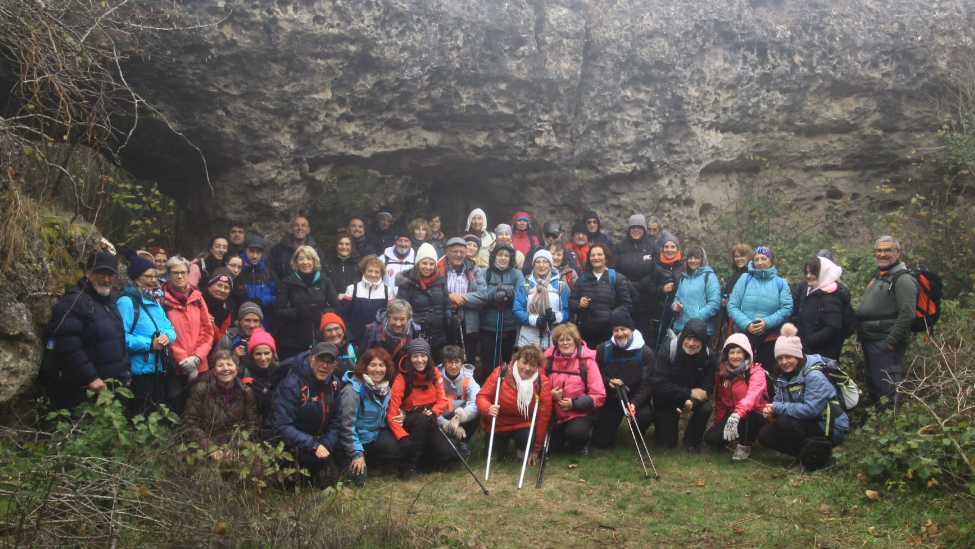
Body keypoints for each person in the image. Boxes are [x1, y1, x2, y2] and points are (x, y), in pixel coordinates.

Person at [41, 252, 130, 411]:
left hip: (111, 387)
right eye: (101, 273)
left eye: (110, 275)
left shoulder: (110, 303)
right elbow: (68, 345)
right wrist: (91, 378)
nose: (106, 279)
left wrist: (125, 372)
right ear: (88, 272)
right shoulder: (73, 302)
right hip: (84, 389)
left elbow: (119, 339)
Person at [758, 323, 850, 471]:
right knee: (765, 435)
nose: (784, 362)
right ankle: (809, 454)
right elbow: (781, 400)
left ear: (798, 356)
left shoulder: (814, 376)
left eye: (788, 357)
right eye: (780, 358)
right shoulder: (784, 375)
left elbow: (811, 410)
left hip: (829, 425)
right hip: (807, 422)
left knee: (784, 422)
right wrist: (772, 409)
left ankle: (813, 460)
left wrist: (778, 408)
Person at [266, 342, 343, 486]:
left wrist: (326, 445)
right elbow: (282, 425)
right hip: (289, 443)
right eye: (321, 360)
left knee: (331, 478)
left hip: (318, 442)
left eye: (329, 362)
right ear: (311, 360)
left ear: (335, 366)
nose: (324, 366)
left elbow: (336, 419)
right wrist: (314, 446)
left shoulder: (334, 385)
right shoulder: (291, 384)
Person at [856, 236, 918, 410]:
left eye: (887, 250)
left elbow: (907, 314)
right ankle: (878, 426)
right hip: (872, 340)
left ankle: (889, 425)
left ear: (897, 252)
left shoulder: (903, 279)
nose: (882, 254)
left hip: (885, 342)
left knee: (887, 388)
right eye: (879, 250)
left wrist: (890, 342)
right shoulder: (880, 275)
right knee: (875, 385)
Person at [117, 253, 178, 417]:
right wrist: (149, 344)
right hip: (139, 373)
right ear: (136, 279)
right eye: (148, 276)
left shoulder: (156, 300)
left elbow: (169, 328)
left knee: (159, 414)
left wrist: (167, 337)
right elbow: (119, 338)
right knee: (141, 415)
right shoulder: (127, 302)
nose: (153, 280)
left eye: (155, 276)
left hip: (159, 368)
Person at [387, 339, 457, 479]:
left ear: (428, 357)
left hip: (429, 420)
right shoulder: (402, 379)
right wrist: (402, 436)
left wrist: (434, 411)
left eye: (423, 355)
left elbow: (442, 399)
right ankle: (408, 467)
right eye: (415, 356)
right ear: (409, 358)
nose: (420, 360)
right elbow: (392, 411)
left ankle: (421, 459)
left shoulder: (435, 373)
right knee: (420, 419)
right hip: (408, 422)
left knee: (450, 456)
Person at [644, 318, 715, 452]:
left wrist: (692, 401)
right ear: (682, 337)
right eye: (688, 338)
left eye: (696, 340)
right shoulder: (668, 349)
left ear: (703, 342)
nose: (691, 344)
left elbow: (708, 386)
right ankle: (660, 425)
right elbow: (658, 382)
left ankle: (692, 441)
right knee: (667, 444)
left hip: (691, 398)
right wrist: (688, 392)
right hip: (667, 398)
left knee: (706, 408)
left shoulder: (709, 356)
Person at [180, 350, 260, 462]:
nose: (225, 369)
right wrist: (211, 448)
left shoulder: (246, 392)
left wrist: (235, 447)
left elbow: (252, 425)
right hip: (205, 445)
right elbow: (189, 423)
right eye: (220, 365)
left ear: (237, 370)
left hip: (235, 446)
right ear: (214, 371)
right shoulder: (201, 389)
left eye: (229, 364)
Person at [477, 344, 552, 464]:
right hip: (498, 424)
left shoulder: (542, 383)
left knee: (525, 446)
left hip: (523, 424)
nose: (527, 368)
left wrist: (536, 448)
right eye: (524, 362)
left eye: (532, 365)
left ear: (537, 367)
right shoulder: (500, 373)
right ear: (517, 360)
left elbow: (543, 417)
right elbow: (482, 396)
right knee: (492, 460)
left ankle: (522, 448)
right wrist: (487, 408)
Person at [592, 311, 655, 450]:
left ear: (631, 329)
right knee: (601, 443)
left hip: (635, 399)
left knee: (645, 415)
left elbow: (648, 384)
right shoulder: (603, 349)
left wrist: (635, 403)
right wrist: (608, 381)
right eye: (616, 330)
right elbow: (594, 375)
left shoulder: (645, 352)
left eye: (623, 329)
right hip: (612, 399)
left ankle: (638, 432)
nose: (620, 333)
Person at [727, 246, 794, 374]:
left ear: (771, 261)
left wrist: (767, 322)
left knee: (766, 374)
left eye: (764, 259)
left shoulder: (781, 283)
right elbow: (732, 305)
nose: (760, 263)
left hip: (769, 337)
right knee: (741, 374)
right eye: (756, 259)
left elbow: (786, 309)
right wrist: (747, 324)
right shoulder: (745, 279)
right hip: (744, 335)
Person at [339, 348, 400, 486]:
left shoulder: (384, 387)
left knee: (395, 449)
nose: (377, 369)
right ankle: (356, 460)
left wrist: (401, 414)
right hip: (352, 441)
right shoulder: (353, 390)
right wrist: (356, 454)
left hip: (373, 436)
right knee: (359, 482)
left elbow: (388, 411)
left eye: (381, 365)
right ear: (365, 367)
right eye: (373, 365)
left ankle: (371, 462)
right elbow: (346, 426)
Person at [703, 334, 769, 462]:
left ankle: (745, 446)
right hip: (735, 417)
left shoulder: (756, 372)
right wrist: (720, 423)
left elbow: (753, 397)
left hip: (757, 416)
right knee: (711, 438)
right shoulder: (722, 375)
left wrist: (737, 414)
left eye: (739, 352)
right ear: (726, 355)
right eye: (731, 352)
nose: (735, 356)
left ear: (746, 354)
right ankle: (735, 438)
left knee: (749, 415)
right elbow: (721, 402)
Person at [162, 255, 214, 414]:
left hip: (200, 364)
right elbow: (163, 332)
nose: (180, 276)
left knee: (200, 407)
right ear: (168, 274)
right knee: (176, 408)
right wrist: (183, 359)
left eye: (183, 272)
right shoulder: (161, 300)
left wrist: (197, 357)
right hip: (175, 367)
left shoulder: (198, 297)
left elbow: (207, 330)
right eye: (175, 272)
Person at [544, 323, 606, 455]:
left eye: (569, 339)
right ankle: (562, 437)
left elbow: (599, 395)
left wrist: (574, 404)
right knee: (551, 450)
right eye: (561, 340)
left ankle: (582, 443)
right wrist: (549, 395)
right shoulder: (547, 361)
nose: (565, 343)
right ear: (556, 343)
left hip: (580, 412)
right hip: (554, 414)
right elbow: (536, 388)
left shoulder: (587, 362)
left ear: (576, 341)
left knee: (576, 433)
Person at [468, 242, 524, 383]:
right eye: (500, 255)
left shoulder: (516, 274)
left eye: (506, 255)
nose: (503, 258)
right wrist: (496, 290)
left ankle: (508, 392)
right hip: (488, 326)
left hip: (510, 326)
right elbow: (480, 296)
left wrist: (509, 294)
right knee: (488, 364)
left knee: (510, 363)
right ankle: (487, 392)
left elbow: (522, 296)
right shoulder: (484, 274)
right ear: (494, 256)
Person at [275, 246, 339, 360]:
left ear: (314, 261)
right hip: (293, 340)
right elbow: (278, 312)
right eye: (301, 259)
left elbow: (336, 307)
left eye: (309, 259)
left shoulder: (325, 281)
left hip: (320, 337)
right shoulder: (287, 282)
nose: (305, 262)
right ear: (295, 262)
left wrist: (321, 313)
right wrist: (299, 312)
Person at [395, 243, 457, 361]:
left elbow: (447, 306)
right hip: (417, 338)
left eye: (431, 263)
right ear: (418, 263)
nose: (427, 267)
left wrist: (450, 320)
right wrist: (420, 321)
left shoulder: (440, 280)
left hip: (440, 337)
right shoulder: (407, 283)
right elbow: (401, 313)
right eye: (424, 263)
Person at [569, 243, 632, 348]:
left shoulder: (617, 278)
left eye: (599, 254)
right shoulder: (583, 278)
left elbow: (627, 305)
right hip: (586, 332)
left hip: (608, 332)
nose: (596, 258)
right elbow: (571, 302)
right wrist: (579, 304)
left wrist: (610, 315)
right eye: (592, 255)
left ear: (606, 258)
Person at [438, 237, 486, 364]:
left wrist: (458, 299)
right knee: (444, 360)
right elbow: (434, 293)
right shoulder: (438, 269)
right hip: (443, 324)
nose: (459, 255)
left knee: (466, 361)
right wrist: (449, 297)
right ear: (447, 252)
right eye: (455, 251)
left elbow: (482, 295)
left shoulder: (475, 270)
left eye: (462, 252)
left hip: (468, 324)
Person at [792, 256, 849, 361]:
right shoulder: (810, 291)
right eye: (807, 272)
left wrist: (809, 341)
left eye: (813, 273)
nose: (809, 276)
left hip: (823, 355)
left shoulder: (830, 298)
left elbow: (833, 328)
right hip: (808, 352)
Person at [514, 249, 570, 349]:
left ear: (550, 265)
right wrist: (535, 320)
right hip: (529, 340)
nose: (541, 265)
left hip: (554, 340)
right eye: (538, 262)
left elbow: (567, 310)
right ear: (534, 265)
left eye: (545, 262)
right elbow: (517, 311)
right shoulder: (526, 285)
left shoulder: (560, 286)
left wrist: (555, 317)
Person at [613, 214, 656, 338]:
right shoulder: (619, 247)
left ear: (644, 229)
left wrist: (642, 284)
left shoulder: (652, 247)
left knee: (644, 332)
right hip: (624, 296)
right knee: (624, 330)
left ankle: (645, 355)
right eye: (633, 227)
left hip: (645, 297)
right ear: (628, 229)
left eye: (640, 227)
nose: (636, 230)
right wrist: (626, 283)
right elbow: (612, 269)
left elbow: (657, 270)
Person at [436, 345, 481, 456]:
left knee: (478, 410)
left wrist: (461, 417)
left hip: (459, 414)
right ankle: (443, 438)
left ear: (462, 362)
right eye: (450, 362)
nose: (454, 366)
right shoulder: (435, 376)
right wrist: (444, 423)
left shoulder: (467, 377)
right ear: (444, 363)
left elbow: (476, 399)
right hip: (441, 414)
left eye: (457, 362)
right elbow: (428, 404)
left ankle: (463, 442)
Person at [340, 254, 394, 345]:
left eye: (377, 272)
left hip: (379, 341)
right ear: (364, 271)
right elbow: (343, 316)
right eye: (370, 271)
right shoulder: (352, 289)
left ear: (381, 274)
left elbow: (390, 318)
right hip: (354, 339)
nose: (373, 275)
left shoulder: (388, 291)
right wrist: (350, 338)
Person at [672, 246, 721, 339]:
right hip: (680, 328)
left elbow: (715, 303)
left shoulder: (709, 277)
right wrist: (675, 305)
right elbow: (677, 297)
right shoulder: (684, 277)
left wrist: (697, 317)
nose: (693, 260)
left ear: (702, 259)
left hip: (699, 329)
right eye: (690, 258)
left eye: (696, 258)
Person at [236, 235, 277, 331]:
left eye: (258, 252)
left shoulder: (268, 272)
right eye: (251, 251)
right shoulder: (237, 270)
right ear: (245, 250)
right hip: (240, 323)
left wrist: (262, 300)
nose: (255, 256)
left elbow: (279, 296)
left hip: (266, 323)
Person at [649, 234, 683, 347]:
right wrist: (662, 289)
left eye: (672, 247)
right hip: (660, 309)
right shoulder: (656, 264)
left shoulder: (684, 264)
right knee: (660, 338)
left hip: (679, 309)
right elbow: (650, 287)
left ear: (677, 248)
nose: (669, 250)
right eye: (666, 247)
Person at [359, 299, 415, 364]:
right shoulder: (373, 329)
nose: (398, 324)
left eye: (402, 319)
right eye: (394, 319)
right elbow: (363, 358)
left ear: (408, 319)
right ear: (388, 317)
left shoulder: (413, 331)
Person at [268, 216, 322, 282]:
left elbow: (321, 273)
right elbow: (270, 271)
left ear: (308, 230)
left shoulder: (316, 251)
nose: (300, 228)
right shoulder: (279, 249)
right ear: (292, 229)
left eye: (303, 225)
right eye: (296, 225)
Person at [241, 329, 278, 419]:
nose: (263, 358)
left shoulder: (278, 373)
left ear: (273, 354)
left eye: (266, 353)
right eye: (258, 354)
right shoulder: (242, 372)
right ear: (252, 354)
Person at [318, 312, 359, 381]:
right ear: (323, 334)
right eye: (329, 330)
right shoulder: (318, 354)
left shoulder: (354, 350)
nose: (334, 334)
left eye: (336, 328)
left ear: (343, 331)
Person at [202, 267, 235, 344]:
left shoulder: (226, 311)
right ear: (209, 286)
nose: (222, 290)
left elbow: (222, 340)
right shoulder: (196, 300)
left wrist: (213, 326)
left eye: (226, 287)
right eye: (219, 285)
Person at [323, 232, 360, 298]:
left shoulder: (359, 264)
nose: (344, 247)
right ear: (335, 245)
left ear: (352, 246)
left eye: (347, 244)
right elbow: (324, 286)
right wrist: (337, 296)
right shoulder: (326, 264)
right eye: (341, 244)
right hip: (332, 302)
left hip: (355, 301)